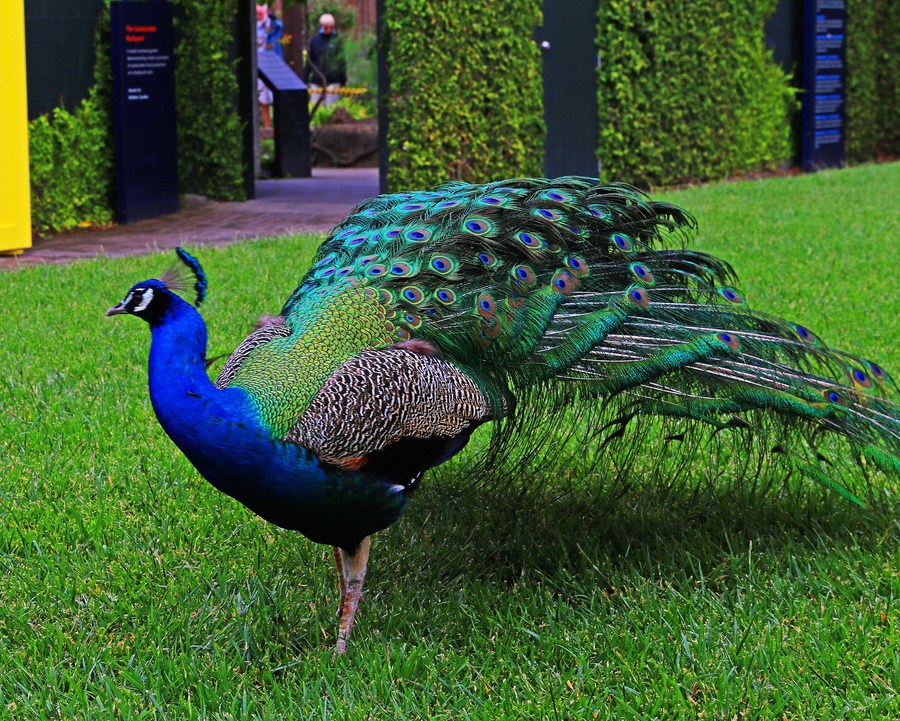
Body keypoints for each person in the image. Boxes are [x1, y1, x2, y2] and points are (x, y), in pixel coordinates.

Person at [304, 13, 347, 108]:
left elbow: (341, 61)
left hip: (333, 79)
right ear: (322, 26)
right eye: (327, 27)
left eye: (331, 27)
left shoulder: (337, 40)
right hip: (317, 80)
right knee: (315, 107)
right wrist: (305, 78)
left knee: (330, 107)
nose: (329, 29)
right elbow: (310, 60)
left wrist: (343, 79)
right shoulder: (314, 40)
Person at [256, 4, 284, 130]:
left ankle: (279, 128)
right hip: (260, 66)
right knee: (263, 101)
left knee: (276, 99)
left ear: (266, 11)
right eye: (256, 14)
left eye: (260, 13)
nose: (258, 16)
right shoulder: (254, 27)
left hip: (275, 66)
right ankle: (267, 129)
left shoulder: (277, 27)